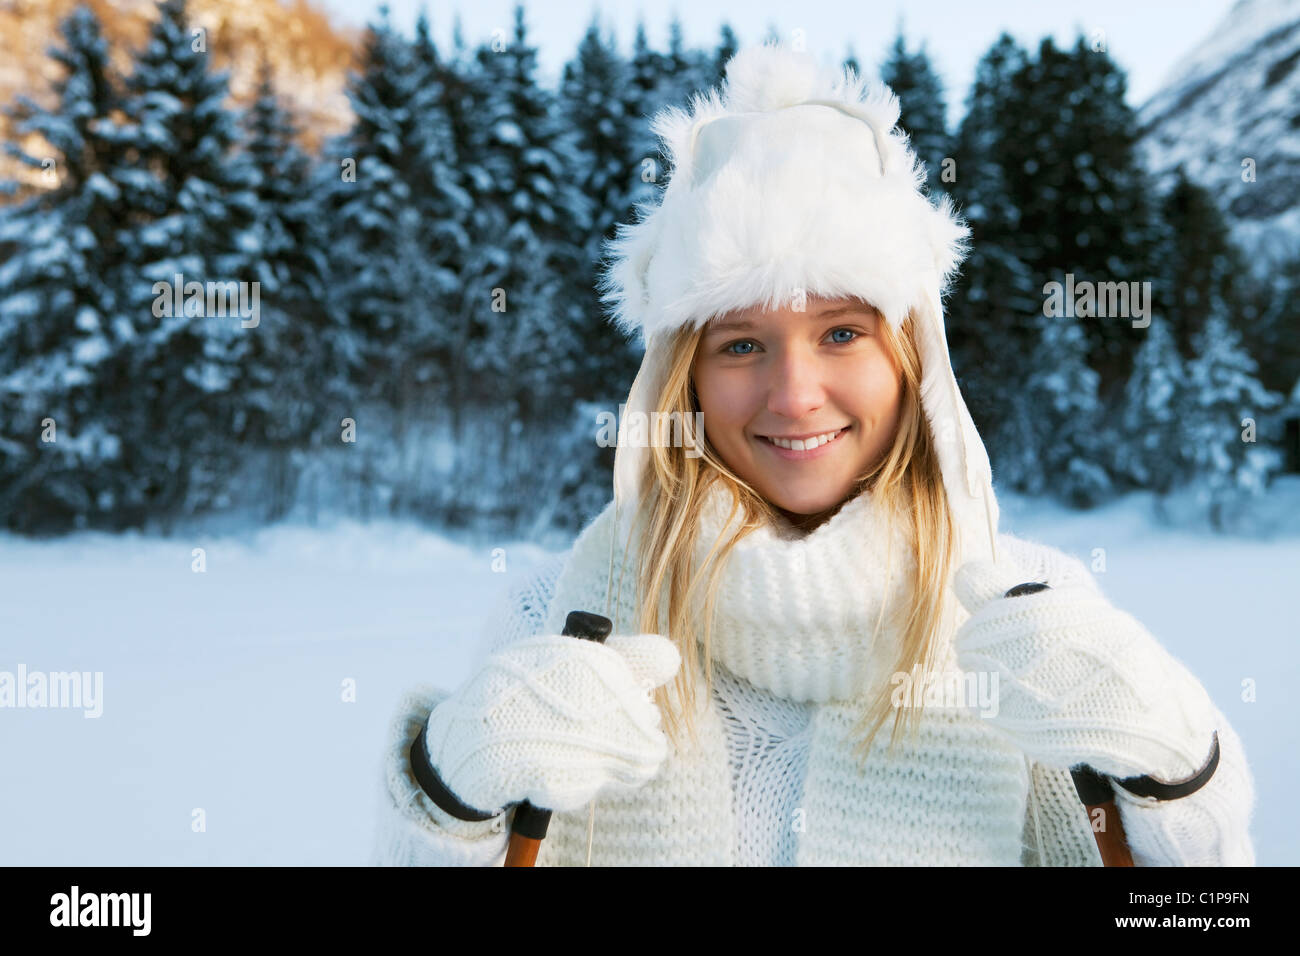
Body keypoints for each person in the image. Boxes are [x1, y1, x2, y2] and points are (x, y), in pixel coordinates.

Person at [372, 43, 1255, 866]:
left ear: (913, 365)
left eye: (841, 333)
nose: (794, 394)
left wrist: (1171, 763)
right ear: (684, 379)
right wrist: (453, 794)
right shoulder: (559, 623)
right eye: (741, 345)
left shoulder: (1026, 620)